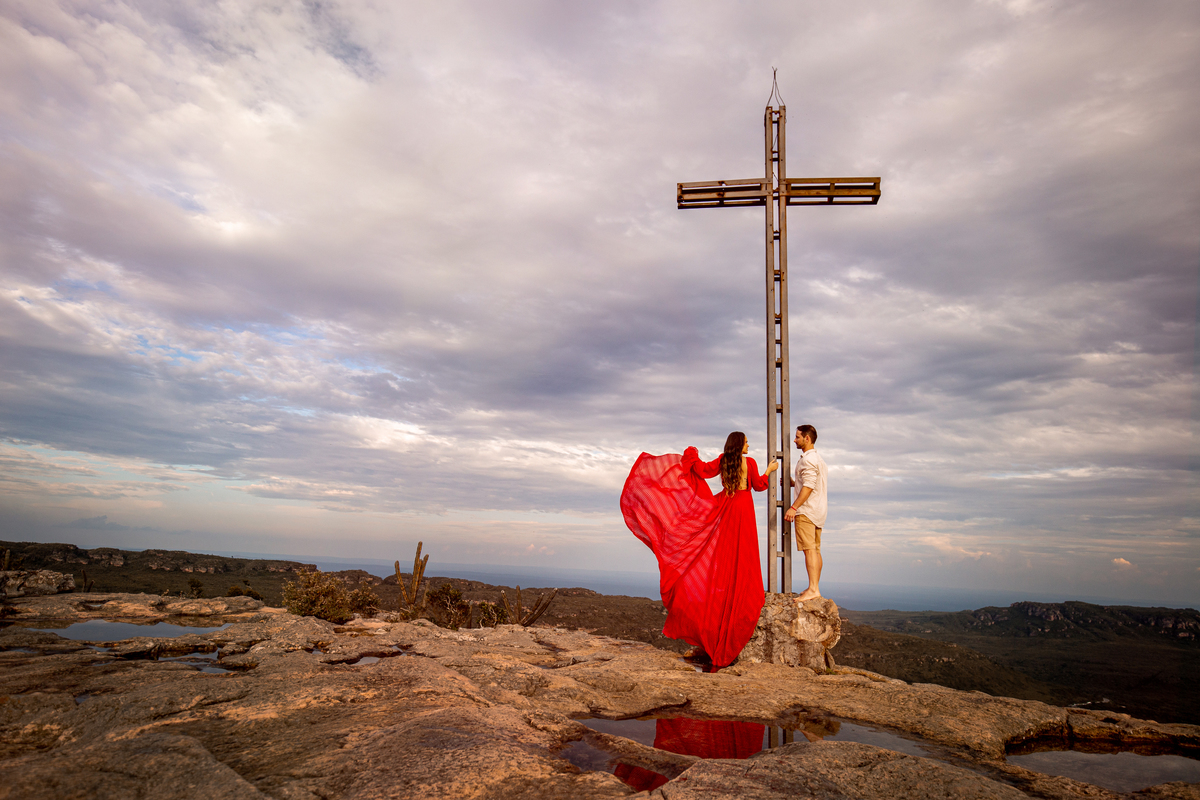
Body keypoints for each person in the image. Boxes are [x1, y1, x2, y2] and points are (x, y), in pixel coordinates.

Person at [620, 431, 778, 668]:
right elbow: (759, 485)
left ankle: (716, 612)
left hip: (727, 507)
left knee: (722, 555)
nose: (748, 445)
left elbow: (702, 471)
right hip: (743, 509)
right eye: (746, 442)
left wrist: (691, 455)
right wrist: (769, 470)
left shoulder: (724, 460)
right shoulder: (752, 463)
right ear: (740, 444)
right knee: (742, 556)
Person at [784, 424, 827, 602]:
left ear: (806, 438)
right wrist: (794, 483)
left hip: (806, 511)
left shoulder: (807, 460)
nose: (794, 440)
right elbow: (810, 482)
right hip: (818, 511)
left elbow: (809, 486)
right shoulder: (818, 459)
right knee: (815, 550)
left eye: (797, 437)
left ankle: (814, 589)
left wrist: (793, 507)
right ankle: (814, 587)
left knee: (809, 550)